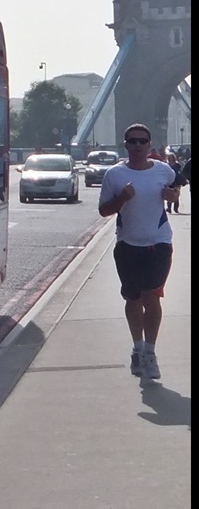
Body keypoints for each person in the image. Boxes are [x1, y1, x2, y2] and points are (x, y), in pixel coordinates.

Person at [97, 123, 179, 381]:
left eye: (142, 141)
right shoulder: (114, 175)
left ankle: (151, 354)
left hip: (158, 244)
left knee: (151, 298)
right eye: (132, 141)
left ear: (150, 145)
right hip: (127, 246)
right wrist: (122, 198)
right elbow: (104, 211)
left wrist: (173, 195)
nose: (137, 146)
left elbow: (177, 189)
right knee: (133, 300)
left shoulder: (163, 170)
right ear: (125, 144)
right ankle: (138, 348)